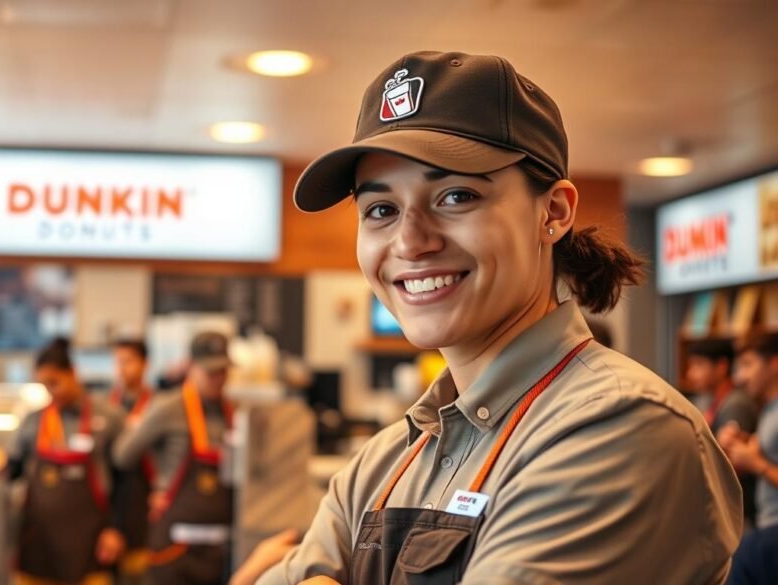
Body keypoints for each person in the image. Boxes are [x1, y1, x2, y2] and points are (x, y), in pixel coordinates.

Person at [241, 50, 742, 584]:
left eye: (457, 195)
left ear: (553, 213)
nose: (410, 241)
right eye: (381, 210)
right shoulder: (383, 462)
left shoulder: (621, 429)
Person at [113, 331, 234, 585]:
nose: (218, 379)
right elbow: (123, 456)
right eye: (210, 372)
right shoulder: (168, 408)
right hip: (175, 548)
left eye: (223, 371)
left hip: (221, 550)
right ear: (191, 367)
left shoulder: (233, 412)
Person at [8, 337, 126, 585]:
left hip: (90, 544)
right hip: (38, 545)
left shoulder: (109, 417)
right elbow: (13, 470)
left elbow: (125, 480)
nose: (51, 392)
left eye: (55, 383)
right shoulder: (33, 422)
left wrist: (116, 529)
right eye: (44, 386)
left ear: (73, 373)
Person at [720, 332, 778, 584]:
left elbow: (764, 465)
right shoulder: (768, 409)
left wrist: (757, 464)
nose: (739, 377)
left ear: (774, 364)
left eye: (748, 365)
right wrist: (743, 443)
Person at [108, 338, 156, 584]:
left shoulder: (158, 406)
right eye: (118, 362)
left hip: (145, 498)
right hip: (113, 499)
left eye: (128, 361)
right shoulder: (106, 406)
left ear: (144, 364)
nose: (122, 368)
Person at [686, 339, 758, 434]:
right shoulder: (708, 398)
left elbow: (726, 447)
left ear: (722, 366)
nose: (690, 374)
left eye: (699, 364)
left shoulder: (736, 405)